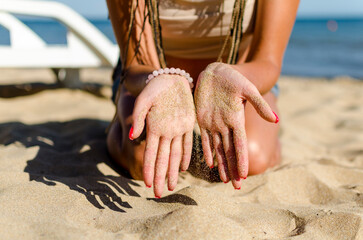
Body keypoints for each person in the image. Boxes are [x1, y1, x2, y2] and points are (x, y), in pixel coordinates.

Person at [106, 0, 299, 198]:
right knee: (142, 159)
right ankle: (115, 127)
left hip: (242, 73)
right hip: (150, 75)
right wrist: (158, 79)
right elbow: (136, 64)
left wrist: (229, 74)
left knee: (252, 157)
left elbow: (267, 61)